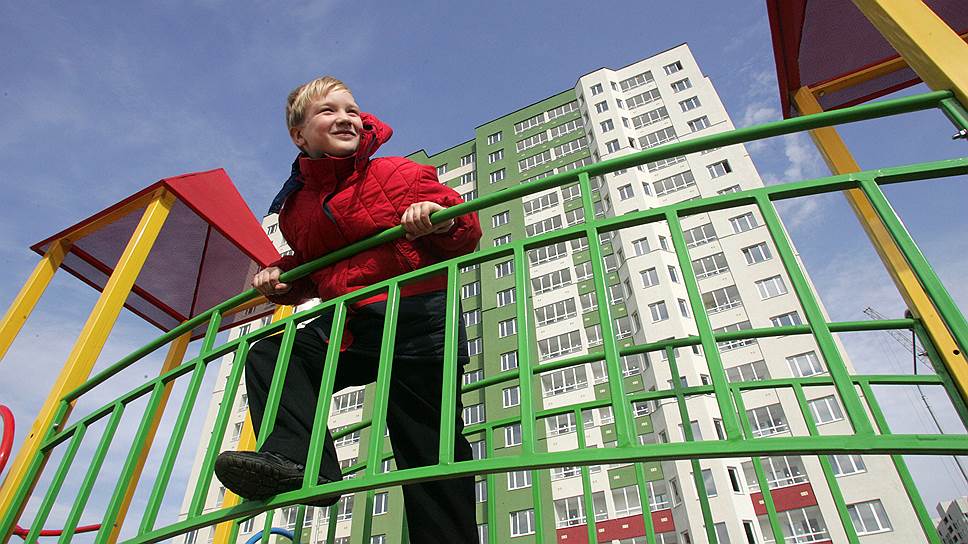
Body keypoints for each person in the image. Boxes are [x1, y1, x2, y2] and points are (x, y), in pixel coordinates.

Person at [214, 76, 481, 542]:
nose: (345, 119)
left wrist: (436, 220)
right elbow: (313, 268)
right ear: (299, 135)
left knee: (428, 447)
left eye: (351, 111)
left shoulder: (397, 173)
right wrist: (281, 277)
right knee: (274, 354)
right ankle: (302, 460)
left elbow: (465, 230)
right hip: (353, 322)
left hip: (417, 317)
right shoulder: (296, 210)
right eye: (328, 111)